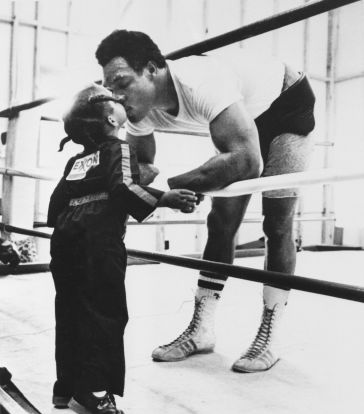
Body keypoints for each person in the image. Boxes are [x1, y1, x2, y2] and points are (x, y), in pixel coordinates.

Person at [95, 30, 315, 373]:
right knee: (221, 221)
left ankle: (268, 336)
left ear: (152, 69)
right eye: (110, 88)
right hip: (242, 115)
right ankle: (202, 329)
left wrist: (174, 185)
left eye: (122, 82)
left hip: (287, 102)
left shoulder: (200, 83)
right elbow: (139, 168)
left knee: (277, 222)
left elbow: (246, 161)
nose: (117, 96)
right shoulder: (140, 110)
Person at [47, 83, 198, 414]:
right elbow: (121, 187)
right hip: (99, 244)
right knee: (104, 314)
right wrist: (164, 198)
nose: (122, 102)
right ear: (111, 117)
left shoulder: (76, 160)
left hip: (65, 243)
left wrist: (79, 215)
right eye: (116, 101)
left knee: (69, 310)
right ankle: (96, 392)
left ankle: (65, 386)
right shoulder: (119, 148)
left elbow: (56, 207)